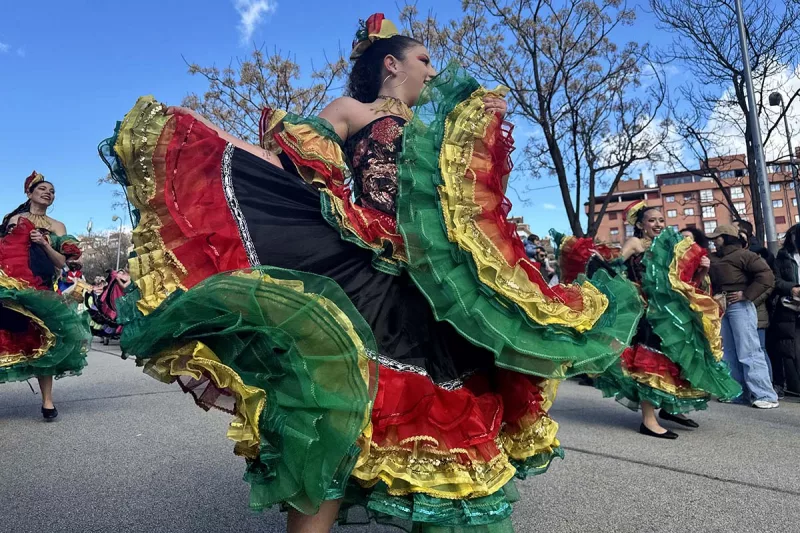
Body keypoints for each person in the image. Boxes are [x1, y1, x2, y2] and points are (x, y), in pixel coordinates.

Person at [99, 14, 644, 532]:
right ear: (391, 64)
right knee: (343, 406)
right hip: (367, 263)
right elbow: (287, 163)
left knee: (443, 417)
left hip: (436, 286)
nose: (434, 70)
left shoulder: (438, 132)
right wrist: (216, 144)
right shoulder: (351, 111)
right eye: (424, 59)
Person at [592, 202, 741, 438]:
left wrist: (702, 270)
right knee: (650, 363)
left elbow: (684, 284)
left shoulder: (671, 246)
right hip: (647, 313)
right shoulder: (636, 244)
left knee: (678, 359)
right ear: (640, 225)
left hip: (670, 312)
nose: (658, 225)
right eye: (652, 221)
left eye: (661, 220)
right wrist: (604, 263)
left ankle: (671, 408)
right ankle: (648, 421)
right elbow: (615, 269)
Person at [0, 171, 91, 419]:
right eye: (43, 189)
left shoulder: (58, 226)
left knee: (46, 341)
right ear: (29, 193)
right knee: (5, 335)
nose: (48, 193)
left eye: (52, 191)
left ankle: (47, 402)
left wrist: (44, 243)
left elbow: (62, 263)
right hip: (10, 285)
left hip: (42, 290)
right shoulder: (13, 219)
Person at [708, 224, 778, 408]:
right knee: (729, 352)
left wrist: (746, 294)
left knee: (749, 350)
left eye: (718, 237)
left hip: (740, 305)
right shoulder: (713, 258)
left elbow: (767, 276)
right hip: (722, 306)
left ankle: (765, 394)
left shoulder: (744, 255)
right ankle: (739, 392)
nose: (715, 241)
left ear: (727, 238)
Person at [767, 224, 800, 397]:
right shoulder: (782, 257)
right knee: (792, 349)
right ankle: (794, 386)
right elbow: (775, 281)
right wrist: (792, 288)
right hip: (790, 309)